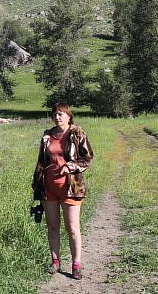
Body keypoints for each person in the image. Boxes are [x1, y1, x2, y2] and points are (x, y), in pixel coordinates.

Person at [32, 102, 94, 280]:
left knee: (73, 228)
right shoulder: (47, 136)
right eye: (55, 114)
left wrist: (70, 166)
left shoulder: (77, 134)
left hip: (71, 188)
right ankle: (55, 262)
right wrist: (37, 184)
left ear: (69, 116)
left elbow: (88, 158)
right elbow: (41, 162)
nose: (57, 117)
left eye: (61, 114)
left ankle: (76, 265)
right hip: (48, 188)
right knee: (52, 226)